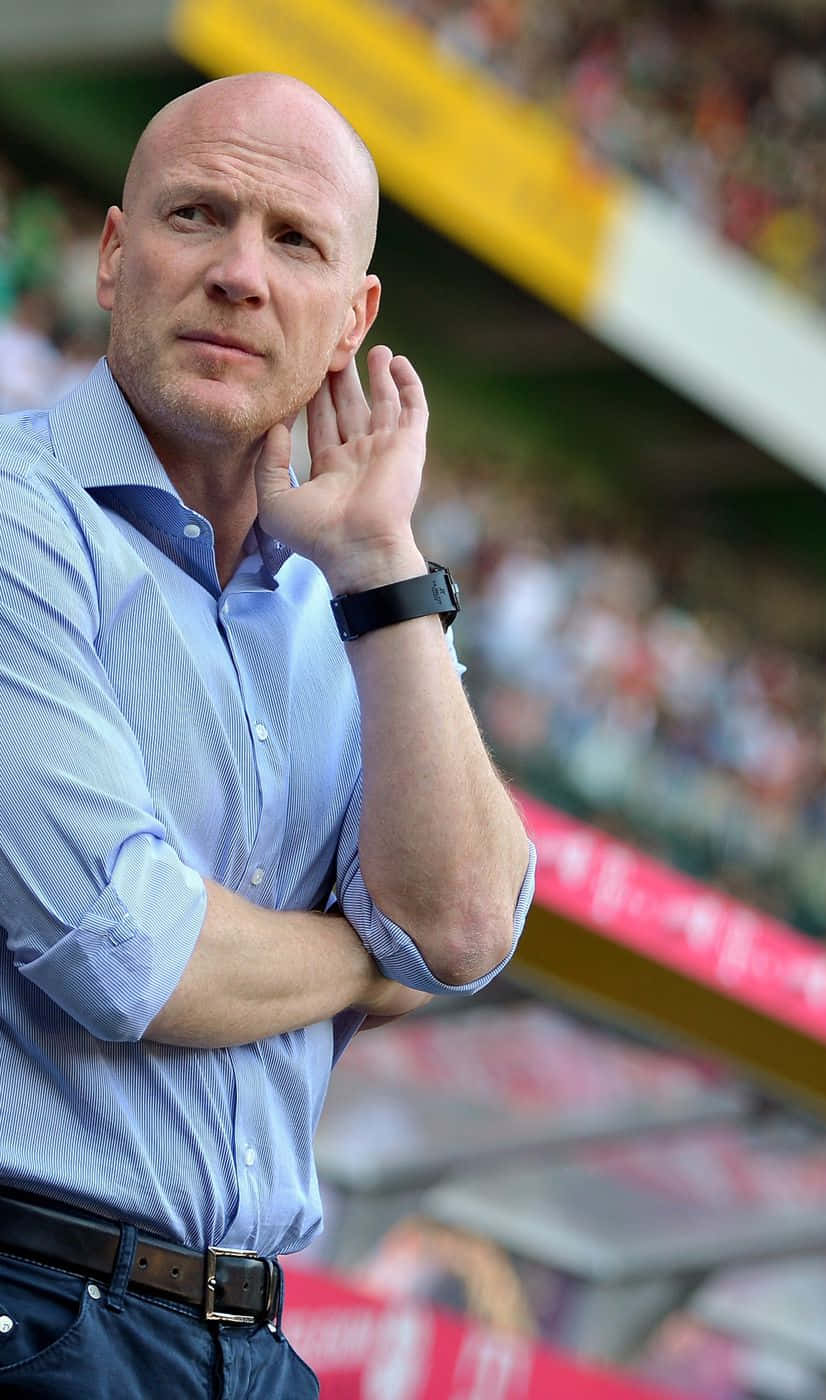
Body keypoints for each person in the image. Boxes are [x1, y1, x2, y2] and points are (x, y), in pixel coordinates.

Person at [0, 72, 535, 1396]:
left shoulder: (357, 590)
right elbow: (130, 954)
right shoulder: (21, 521)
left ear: (352, 318)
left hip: (253, 1347)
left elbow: (465, 929)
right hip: (31, 1305)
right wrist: (367, 959)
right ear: (117, 255)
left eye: (294, 241)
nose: (242, 273)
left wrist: (383, 568)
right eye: (199, 217)